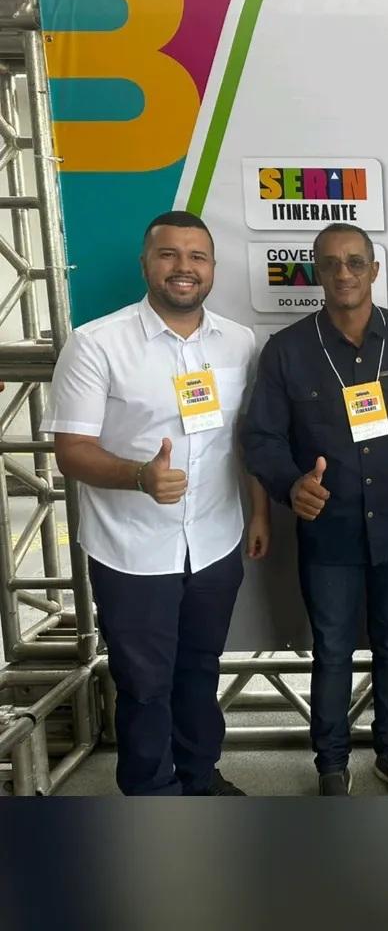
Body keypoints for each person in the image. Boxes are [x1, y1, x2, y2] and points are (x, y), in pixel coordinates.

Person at [44, 210, 270, 796]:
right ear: (146, 263)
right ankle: (152, 799)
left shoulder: (239, 341)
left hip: (215, 541)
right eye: (169, 254)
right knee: (144, 686)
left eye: (197, 256)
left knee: (200, 672)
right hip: (132, 549)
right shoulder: (96, 343)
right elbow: (71, 451)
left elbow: (246, 439)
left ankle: (199, 778)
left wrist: (260, 511)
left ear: (212, 267)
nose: (183, 267)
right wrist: (140, 476)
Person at [242, 223, 388, 796]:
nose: (344, 273)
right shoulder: (287, 350)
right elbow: (261, 438)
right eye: (330, 264)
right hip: (330, 532)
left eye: (355, 262)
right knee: (331, 650)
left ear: (375, 269)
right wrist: (290, 484)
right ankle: (331, 764)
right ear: (317, 272)